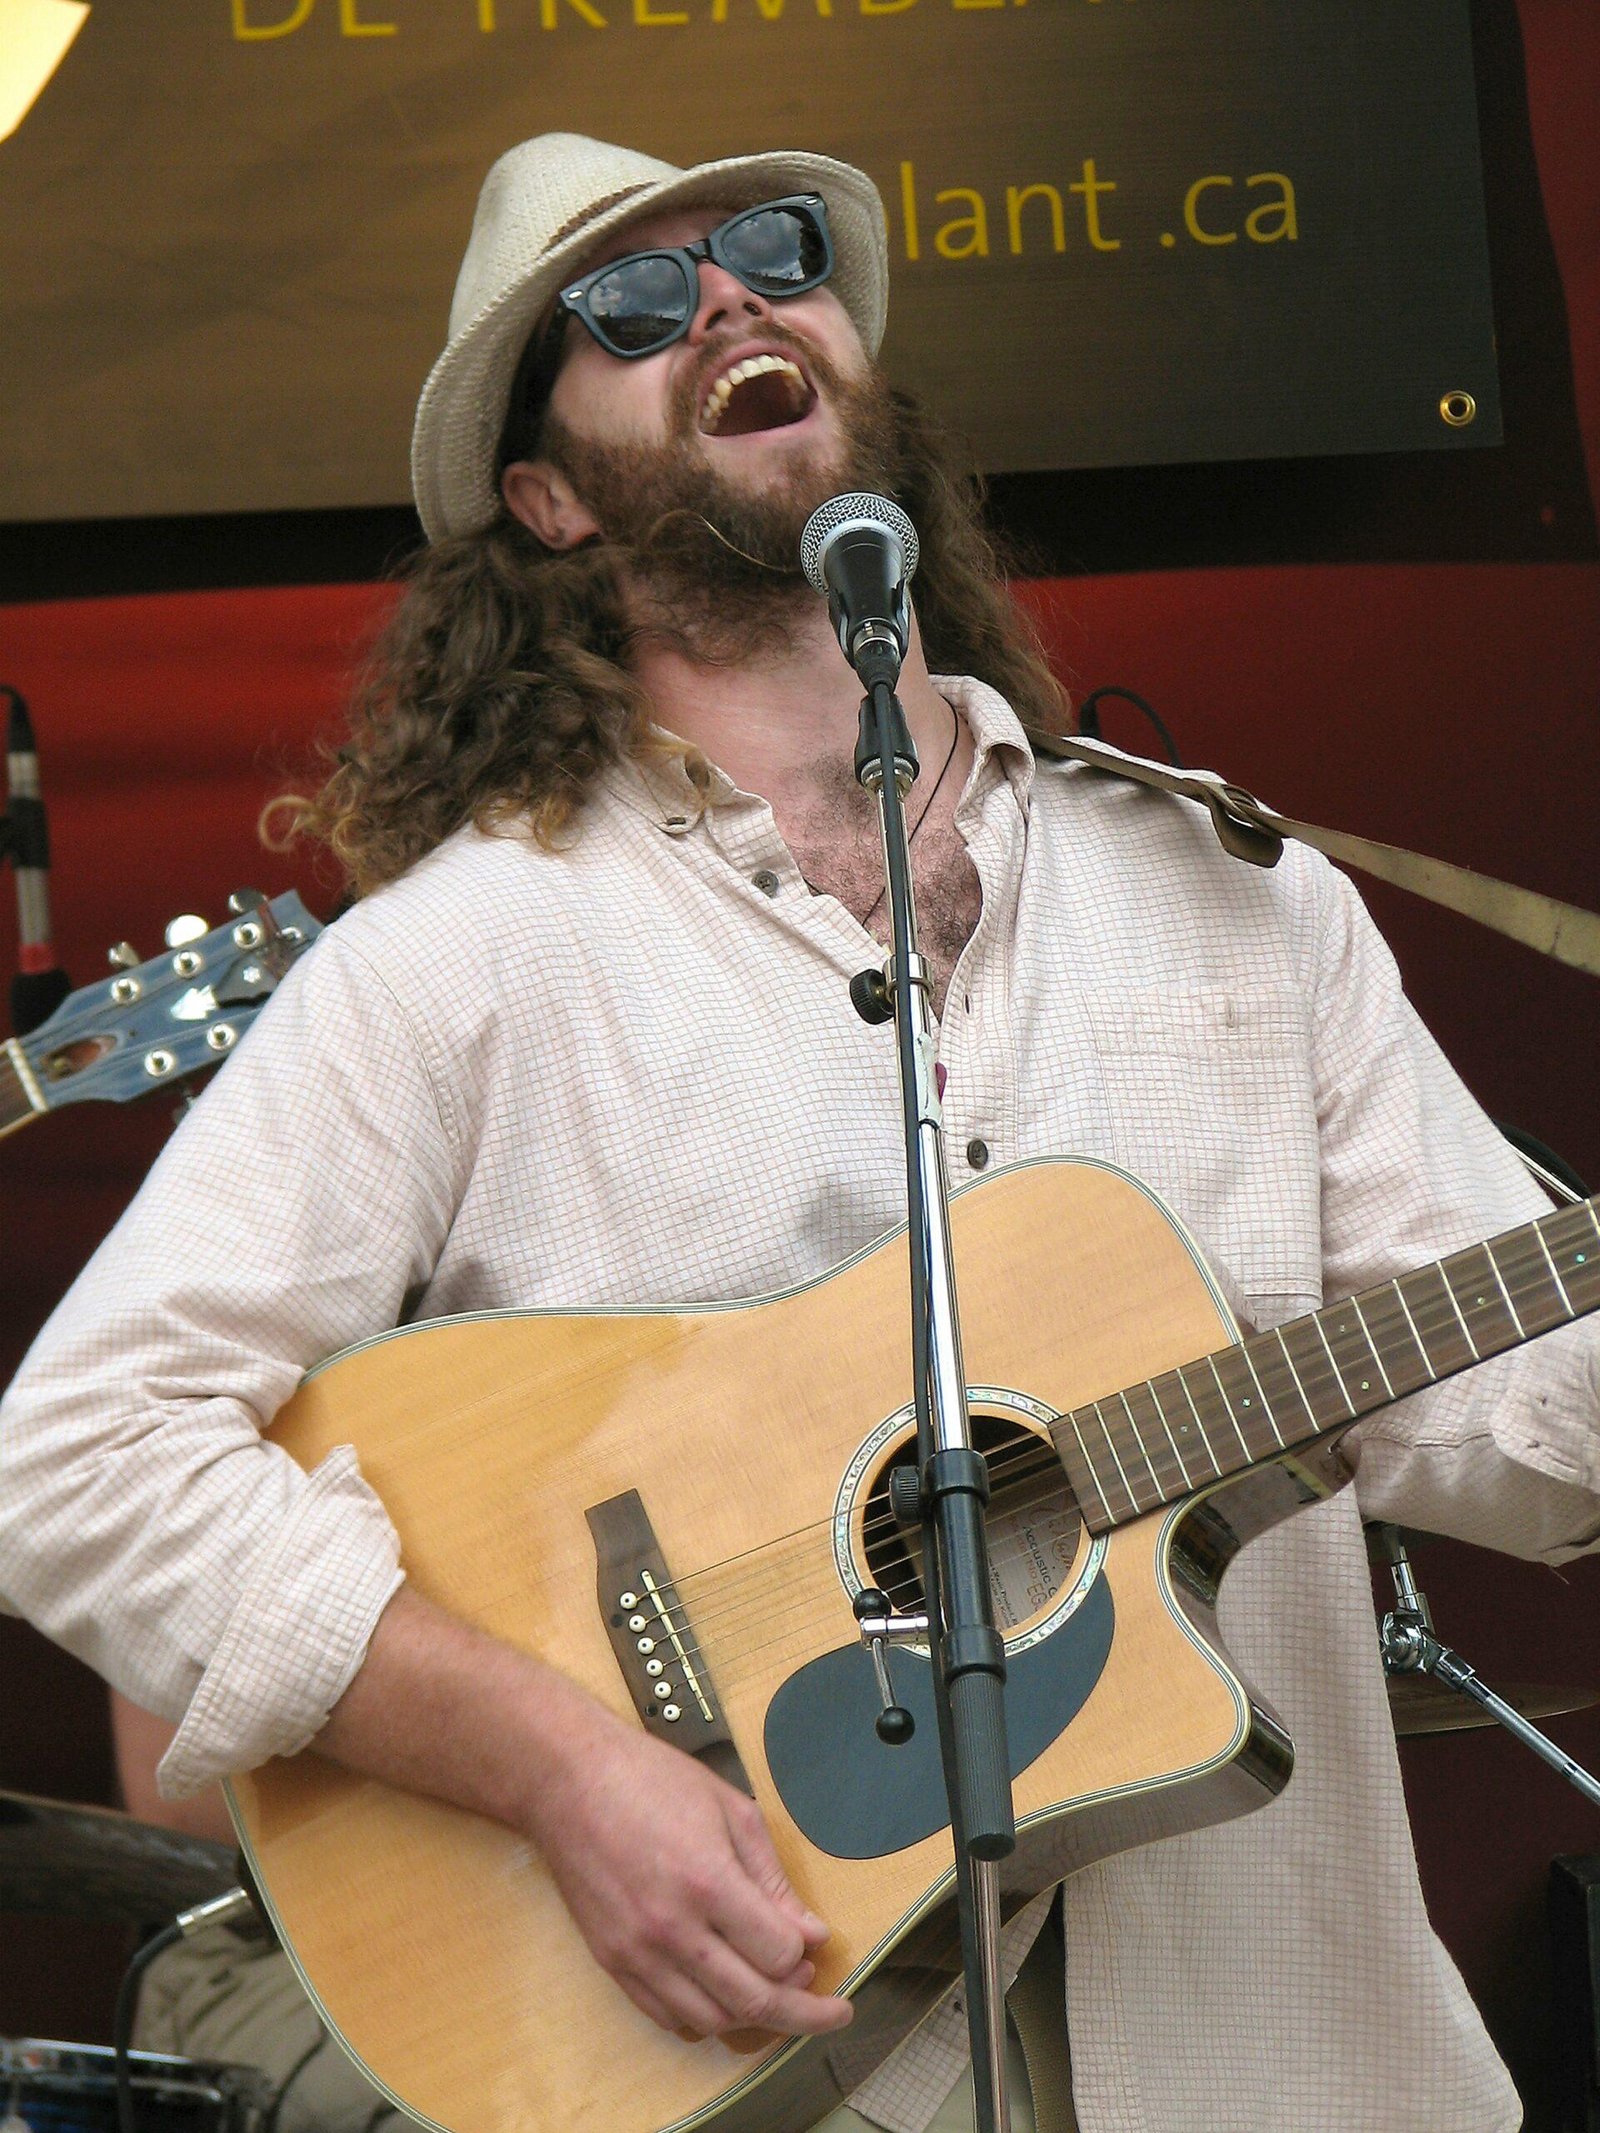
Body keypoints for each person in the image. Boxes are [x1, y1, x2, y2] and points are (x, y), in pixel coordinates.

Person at [2, 130, 1597, 2133]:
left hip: (1276, 2055)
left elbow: (1513, 1420)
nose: (734, 301)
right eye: (634, 305)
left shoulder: (1242, 899)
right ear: (550, 496)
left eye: (768, 254)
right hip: (759, 2045)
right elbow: (74, 1453)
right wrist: (562, 1769)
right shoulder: (469, 957)